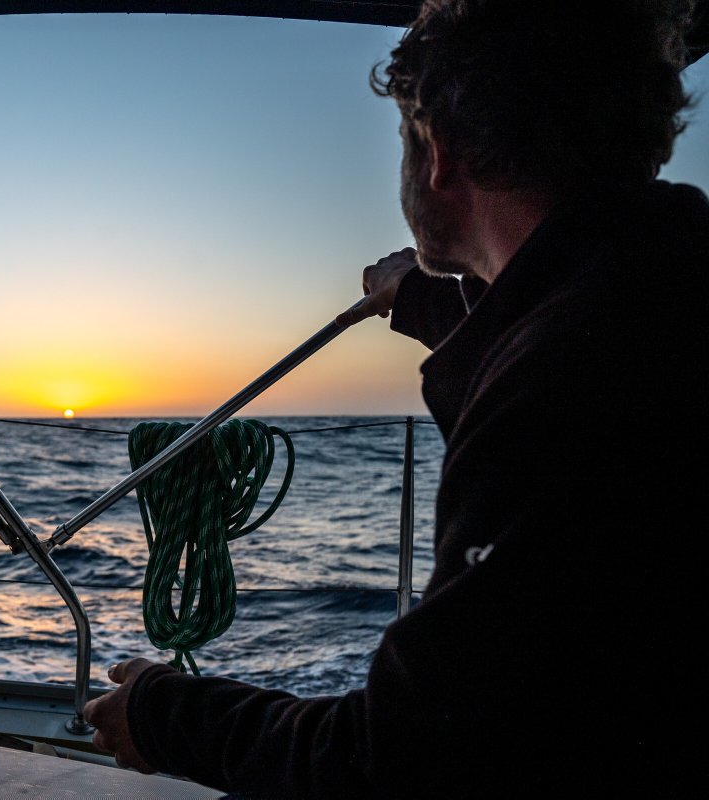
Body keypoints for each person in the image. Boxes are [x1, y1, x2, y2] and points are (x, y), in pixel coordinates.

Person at [83, 1, 708, 797]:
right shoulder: (655, 297)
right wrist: (421, 300)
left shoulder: (563, 391)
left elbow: (407, 762)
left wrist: (165, 716)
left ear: (438, 150)